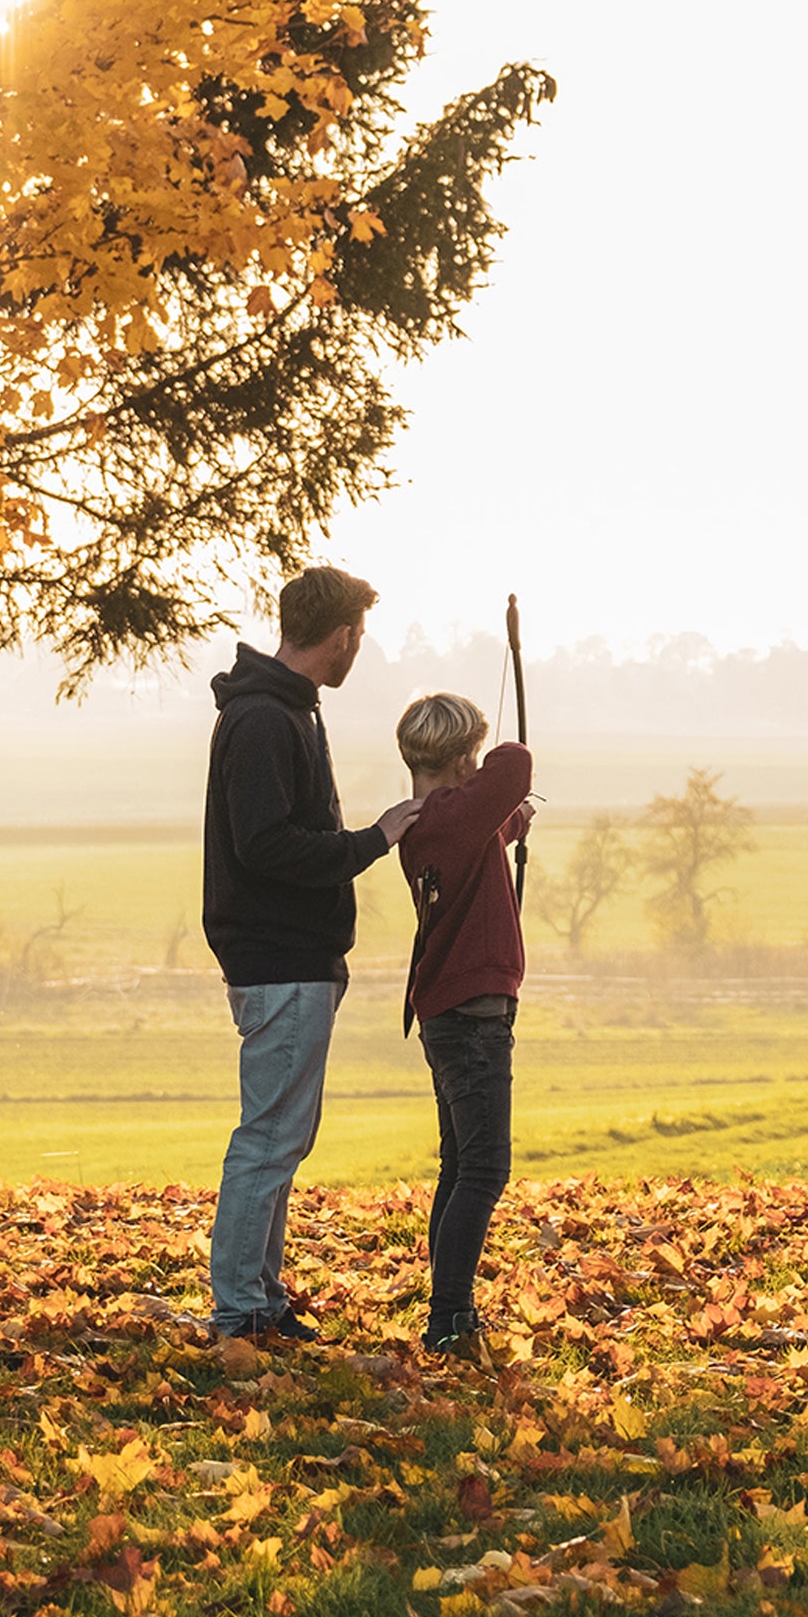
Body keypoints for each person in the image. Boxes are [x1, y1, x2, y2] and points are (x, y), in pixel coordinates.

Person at [202, 566, 421, 1342]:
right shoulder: (266, 720)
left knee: (282, 1136)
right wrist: (373, 840)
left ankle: (259, 1297)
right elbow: (265, 846)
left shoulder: (287, 710)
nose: (358, 649)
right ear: (342, 637)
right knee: (267, 1137)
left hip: (296, 959)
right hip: (278, 958)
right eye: (358, 637)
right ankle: (240, 1309)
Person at [395, 692, 535, 1366]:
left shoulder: (433, 822)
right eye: (471, 755)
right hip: (473, 1016)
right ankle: (449, 1318)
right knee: (484, 1169)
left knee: (460, 1166)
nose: (481, 763)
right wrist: (498, 770)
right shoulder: (450, 812)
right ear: (457, 760)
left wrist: (510, 825)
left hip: (452, 1013)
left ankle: (450, 1309)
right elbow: (515, 766)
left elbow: (482, 830)